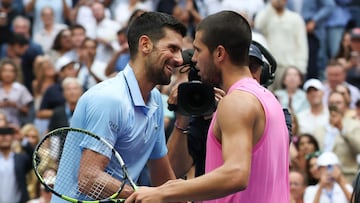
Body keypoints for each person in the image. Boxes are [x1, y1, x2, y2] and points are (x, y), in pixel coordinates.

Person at [126, 10, 289, 203]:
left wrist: (165, 191)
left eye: (198, 50)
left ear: (219, 53)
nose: (193, 59)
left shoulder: (236, 101)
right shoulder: (269, 99)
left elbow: (236, 174)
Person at [51, 11, 187, 202]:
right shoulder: (110, 99)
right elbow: (89, 179)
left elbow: (162, 177)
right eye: (172, 48)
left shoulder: (154, 99)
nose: (179, 59)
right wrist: (142, 195)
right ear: (145, 45)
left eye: (180, 51)